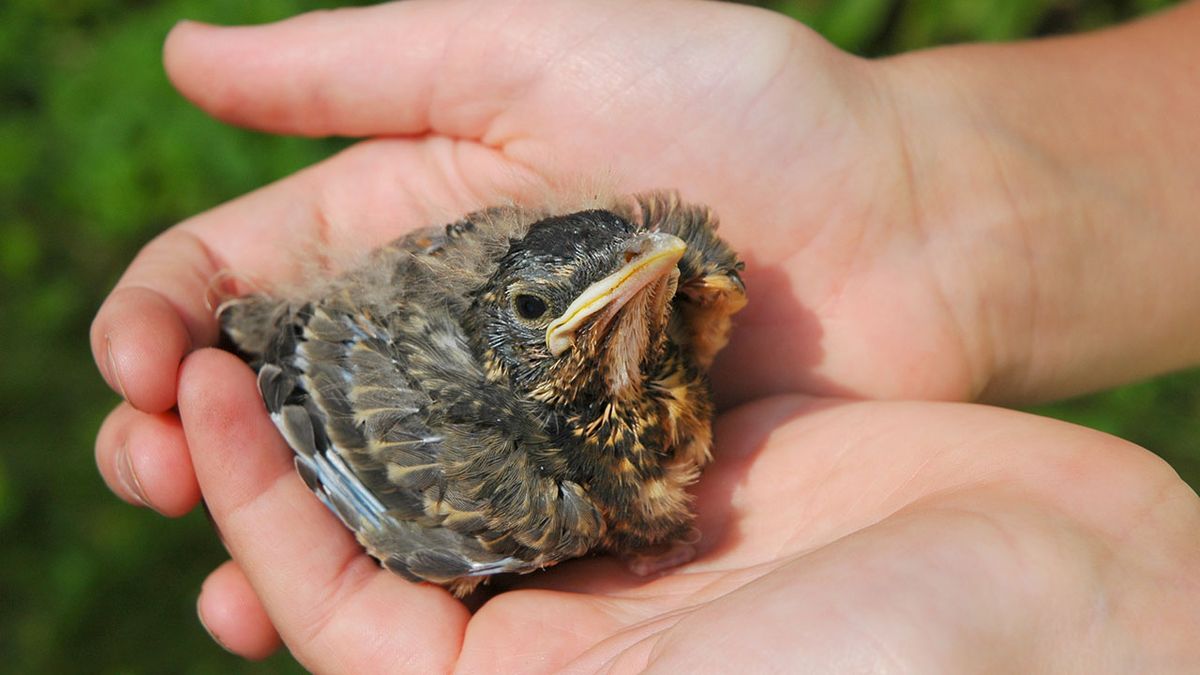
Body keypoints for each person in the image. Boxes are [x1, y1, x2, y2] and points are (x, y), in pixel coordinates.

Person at [91, 0, 1200, 670]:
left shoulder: (676, 292)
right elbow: (302, 396)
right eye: (536, 315)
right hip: (338, 348)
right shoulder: (514, 481)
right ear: (504, 339)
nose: (644, 290)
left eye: (642, 285)